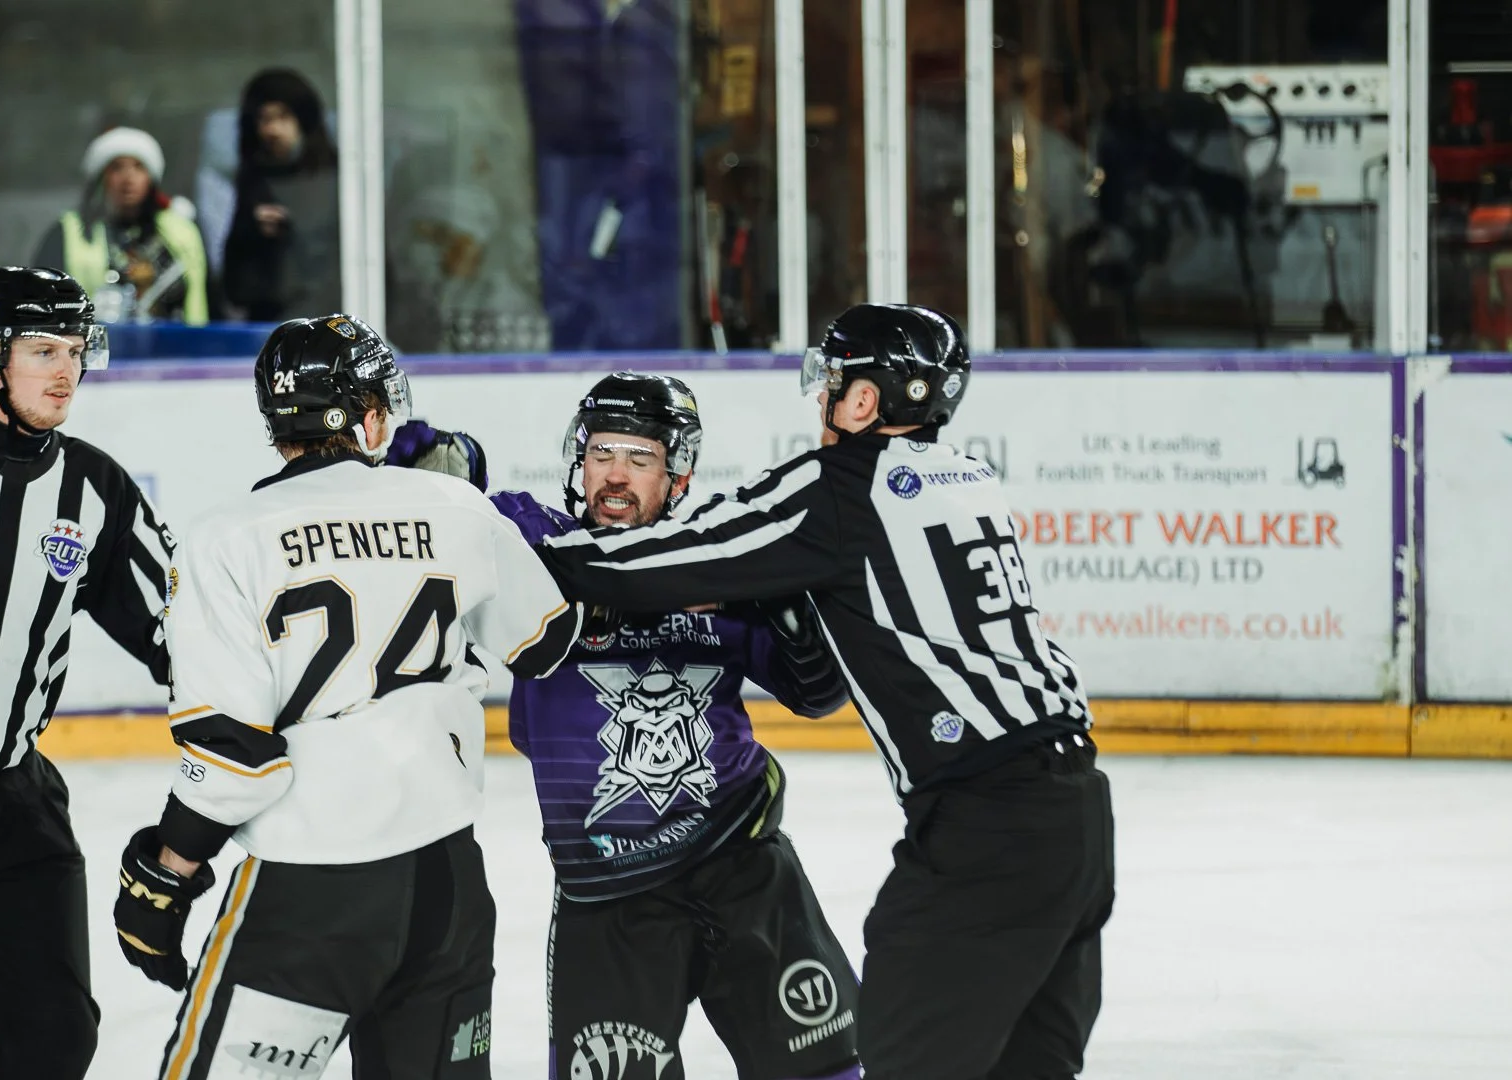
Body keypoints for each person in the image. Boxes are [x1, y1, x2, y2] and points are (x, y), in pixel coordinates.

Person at [533, 305, 1116, 1080]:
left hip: (983, 824)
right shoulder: (969, 480)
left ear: (865, 402)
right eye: (602, 452)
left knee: (901, 1053)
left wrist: (541, 552)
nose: (821, 401)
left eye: (832, 383)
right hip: (1076, 815)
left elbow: (673, 561)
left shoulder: (837, 487)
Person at [112, 314, 582, 1080]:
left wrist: (167, 872)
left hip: (310, 890)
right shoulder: (454, 505)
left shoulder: (224, 539)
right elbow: (548, 642)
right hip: (447, 885)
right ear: (368, 415)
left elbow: (234, 760)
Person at [388, 372, 864, 1080]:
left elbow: (817, 693)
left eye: (640, 458)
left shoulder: (716, 556)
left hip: (744, 865)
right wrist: (434, 473)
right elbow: (438, 504)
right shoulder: (535, 542)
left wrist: (793, 611)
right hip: (606, 897)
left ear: (678, 476)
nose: (615, 475)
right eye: (602, 453)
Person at [0, 266, 174, 1078]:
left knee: (54, 1035)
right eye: (43, 350)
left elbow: (180, 632)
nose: (66, 372)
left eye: (77, 351)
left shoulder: (97, 490)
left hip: (9, 802)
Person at [33, 126, 212, 325]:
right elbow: (41, 302)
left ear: (150, 178)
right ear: (102, 177)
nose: (128, 178)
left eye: (139, 167)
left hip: (177, 349)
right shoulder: (69, 232)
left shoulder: (181, 233)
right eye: (117, 167)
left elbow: (208, 298)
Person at [222, 68, 343, 321]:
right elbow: (235, 285)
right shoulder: (254, 183)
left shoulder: (340, 181)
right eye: (264, 119)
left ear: (303, 119)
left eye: (283, 117)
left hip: (334, 324)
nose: (273, 130)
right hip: (274, 328)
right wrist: (254, 234)